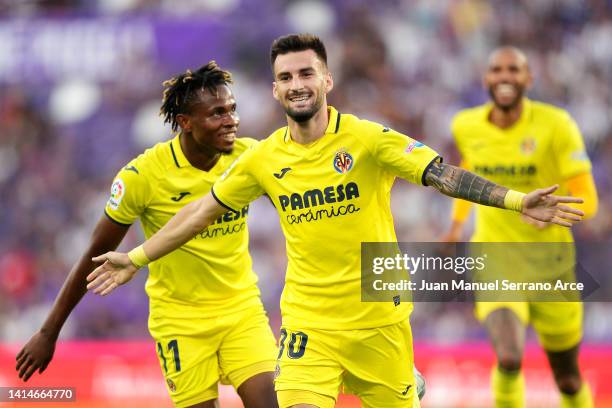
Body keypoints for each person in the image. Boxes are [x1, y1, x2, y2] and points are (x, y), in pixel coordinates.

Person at [86, 35, 583, 408]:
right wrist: (135, 256)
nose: (296, 85)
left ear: (326, 81)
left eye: (306, 74)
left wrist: (518, 201)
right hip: (309, 326)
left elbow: (445, 176)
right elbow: (199, 213)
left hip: (378, 321)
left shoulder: (368, 139)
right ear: (275, 90)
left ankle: (403, 380)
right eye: (285, 77)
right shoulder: (262, 159)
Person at [15, 61, 278, 408]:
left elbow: (301, 204)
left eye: (232, 109)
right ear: (185, 122)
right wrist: (49, 333)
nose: (230, 120)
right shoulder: (143, 176)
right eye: (216, 114)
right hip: (180, 323)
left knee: (269, 401)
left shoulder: (247, 157)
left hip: (240, 308)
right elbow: (95, 254)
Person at [443, 47, 598, 407]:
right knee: (509, 357)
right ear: (487, 79)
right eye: (497, 69)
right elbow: (470, 172)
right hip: (496, 257)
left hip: (552, 265)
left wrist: (552, 212)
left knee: (569, 379)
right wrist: (455, 225)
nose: (505, 76)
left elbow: (587, 198)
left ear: (529, 79)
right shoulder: (465, 125)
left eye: (514, 69)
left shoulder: (556, 125)